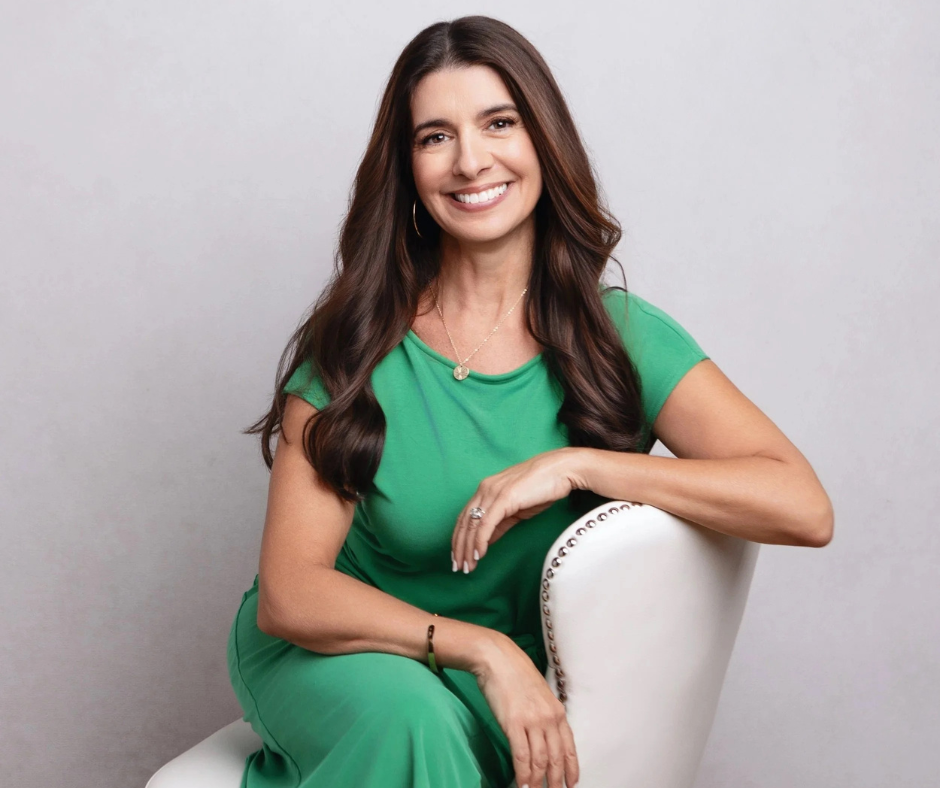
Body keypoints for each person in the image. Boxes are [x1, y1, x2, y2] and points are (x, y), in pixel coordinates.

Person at [227, 14, 834, 788]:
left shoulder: (620, 338)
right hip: (343, 650)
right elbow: (290, 593)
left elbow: (803, 507)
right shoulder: (356, 345)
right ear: (408, 167)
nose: (471, 161)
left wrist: (583, 467)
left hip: (492, 683)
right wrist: (484, 649)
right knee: (413, 724)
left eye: (499, 123)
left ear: (543, 140)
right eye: (435, 136)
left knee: (450, 737)